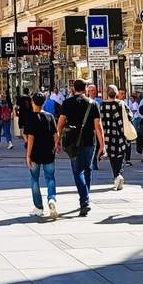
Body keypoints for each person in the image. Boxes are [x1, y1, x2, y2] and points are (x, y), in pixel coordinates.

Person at [55, 79, 105, 217]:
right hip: (90, 141)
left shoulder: (67, 103)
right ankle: (86, 199)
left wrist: (57, 141)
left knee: (78, 172)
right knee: (87, 169)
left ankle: (84, 202)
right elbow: (98, 126)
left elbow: (60, 124)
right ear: (86, 89)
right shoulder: (93, 104)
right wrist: (102, 145)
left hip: (73, 143)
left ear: (73, 88)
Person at [26, 92, 58, 219]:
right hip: (48, 153)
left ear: (33, 102)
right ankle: (52, 199)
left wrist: (28, 155)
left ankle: (38, 207)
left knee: (34, 179)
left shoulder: (31, 117)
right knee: (50, 178)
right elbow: (56, 135)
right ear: (44, 102)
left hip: (35, 153)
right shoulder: (50, 117)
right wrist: (56, 146)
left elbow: (31, 138)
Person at [100, 85, 132, 190]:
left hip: (107, 135)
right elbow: (130, 116)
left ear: (107, 93)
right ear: (117, 93)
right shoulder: (121, 104)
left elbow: (99, 120)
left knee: (112, 157)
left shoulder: (102, 105)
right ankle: (118, 174)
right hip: (120, 135)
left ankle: (117, 175)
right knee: (120, 156)